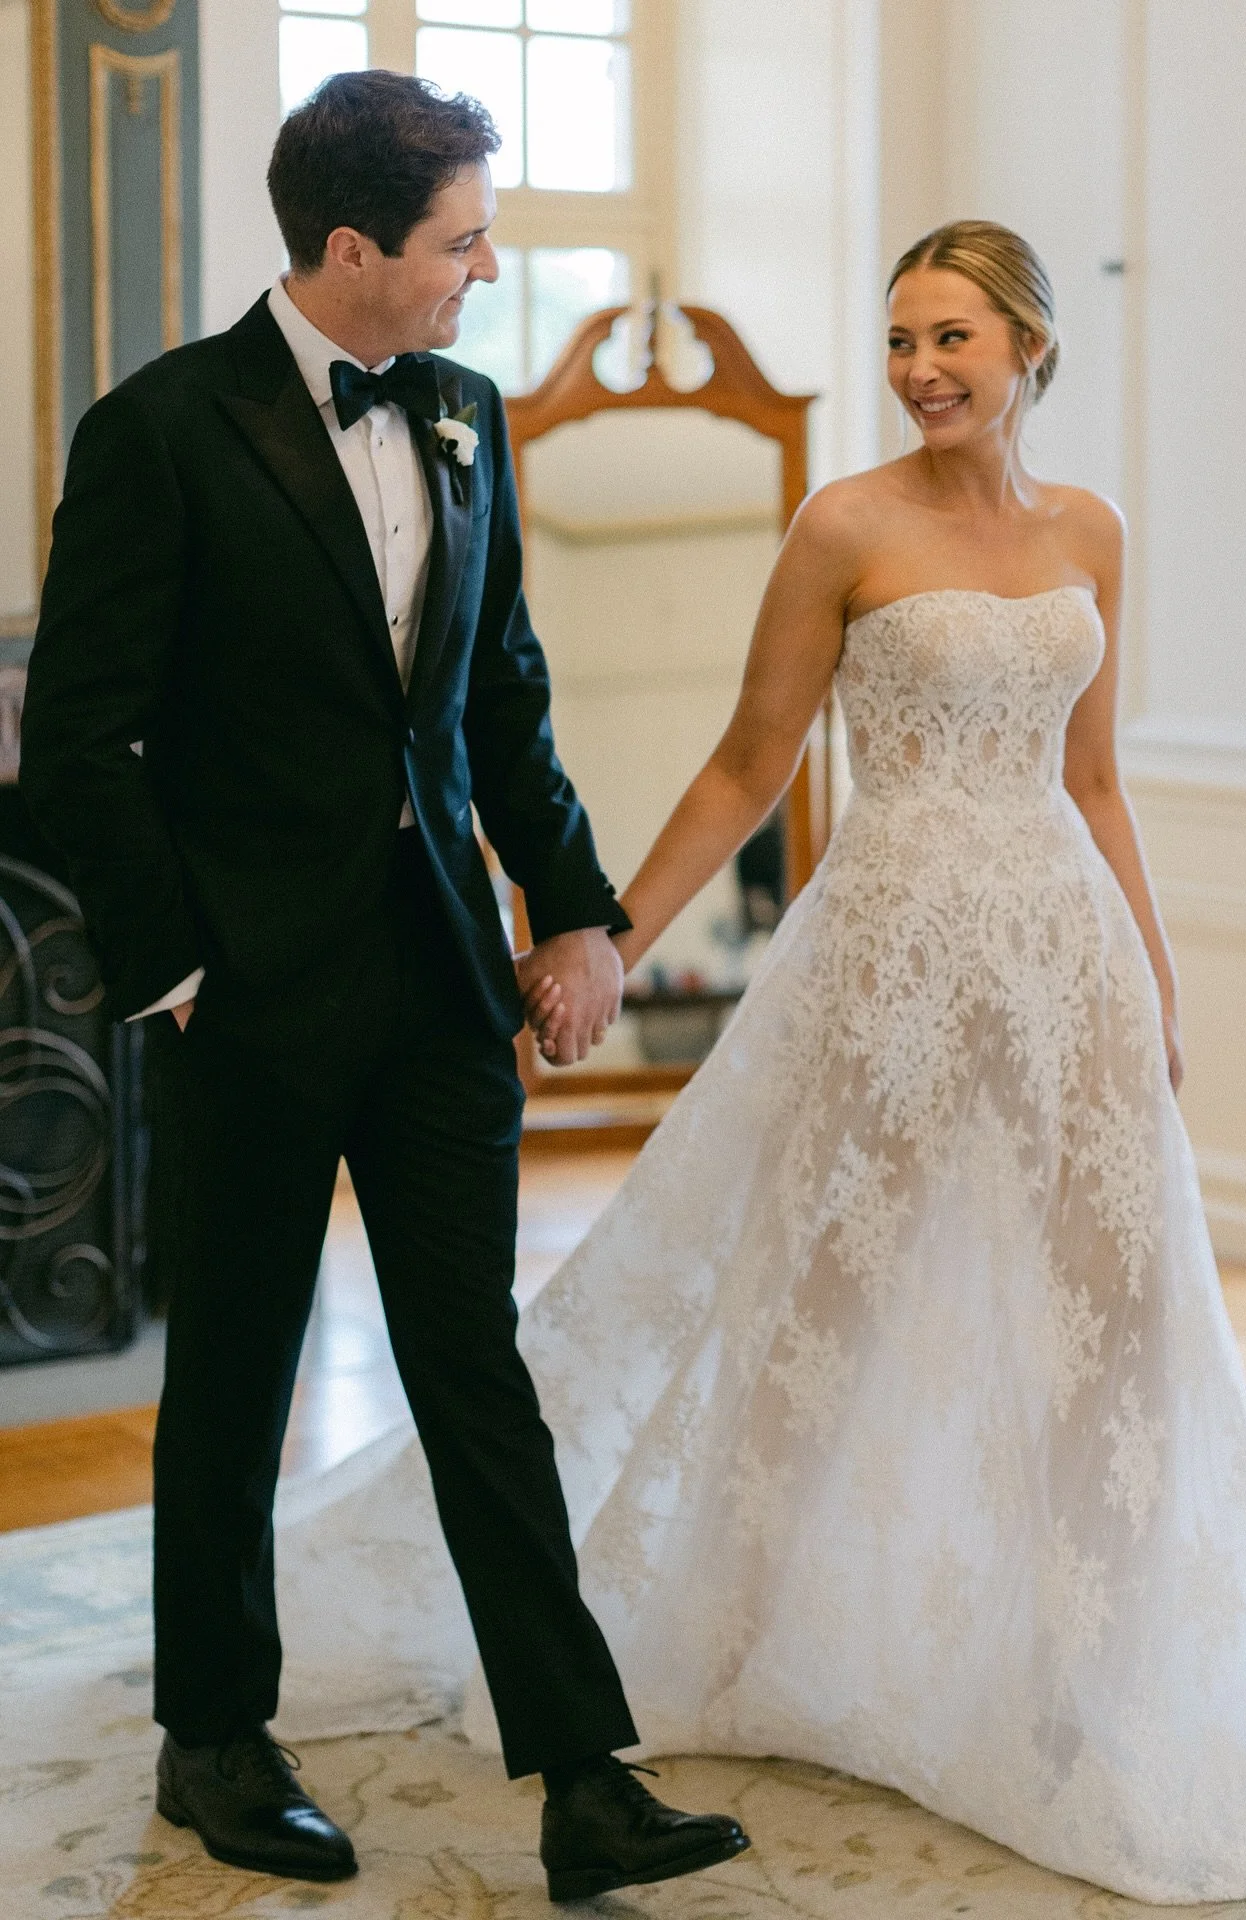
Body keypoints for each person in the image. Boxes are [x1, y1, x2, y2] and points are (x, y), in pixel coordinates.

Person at [498, 218, 1246, 1898]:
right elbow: (750, 762)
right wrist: (601, 926)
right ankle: (736, 1630)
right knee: (824, 1289)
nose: (920, 369)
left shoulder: (1093, 532)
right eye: (900, 338)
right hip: (888, 953)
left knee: (1106, 1317)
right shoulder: (842, 525)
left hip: (1064, 957)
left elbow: (1095, 780)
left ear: (1030, 346)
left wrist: (1158, 974)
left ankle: (1092, 1665)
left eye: (952, 336)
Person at [19, 71, 748, 1903]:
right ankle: (214, 1740)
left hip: (438, 990)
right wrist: (176, 967)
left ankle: (583, 1775)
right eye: (462, 242)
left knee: (478, 1375)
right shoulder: (161, 429)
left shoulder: (470, 416)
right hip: (242, 1003)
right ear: (352, 250)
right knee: (240, 1381)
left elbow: (502, 693)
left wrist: (574, 913)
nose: (482, 274)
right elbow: (79, 740)